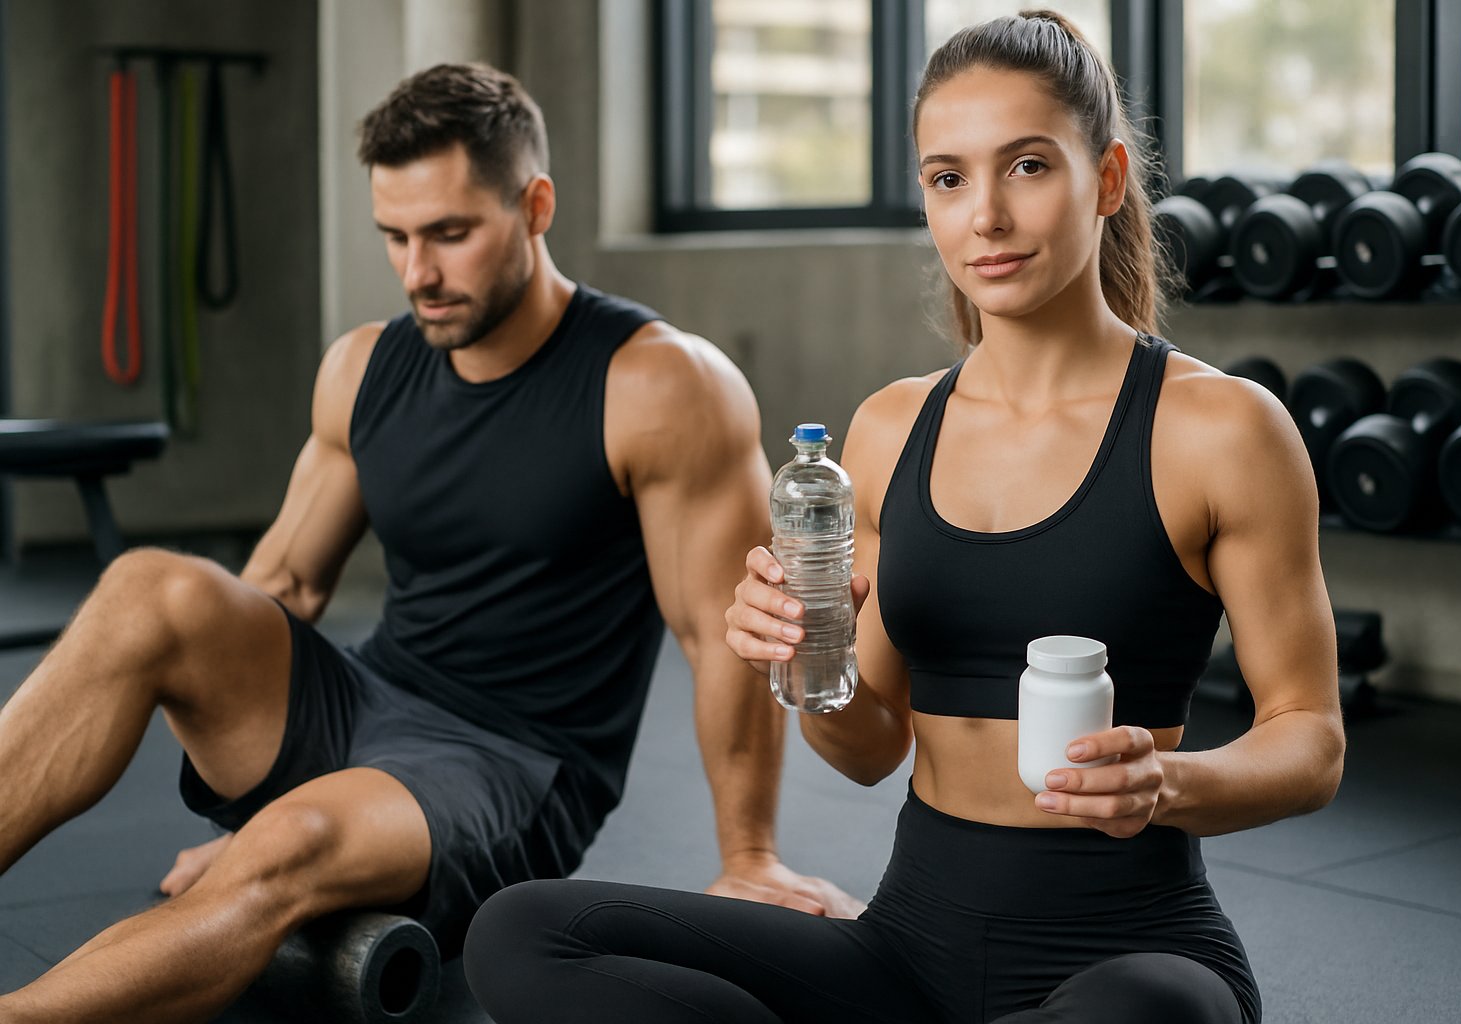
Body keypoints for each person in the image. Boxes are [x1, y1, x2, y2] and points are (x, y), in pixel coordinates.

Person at [460, 11, 1346, 1024]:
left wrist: (1167, 781)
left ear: (1104, 180)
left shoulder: (1220, 429)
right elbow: (870, 743)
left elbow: (1309, 741)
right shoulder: (888, 429)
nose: (986, 219)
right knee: (524, 929)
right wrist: (804, 660)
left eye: (1026, 167)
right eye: (948, 177)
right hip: (907, 950)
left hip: (1126, 954)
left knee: (1155, 1013)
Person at [0, 63, 859, 1023]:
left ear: (535, 207)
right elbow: (282, 581)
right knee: (149, 584)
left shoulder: (658, 384)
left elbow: (717, 635)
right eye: (396, 237)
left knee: (291, 845)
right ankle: (287, 847)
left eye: (451, 234)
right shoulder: (366, 365)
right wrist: (238, 796)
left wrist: (748, 858)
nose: (418, 273)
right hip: (363, 704)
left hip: (508, 767)